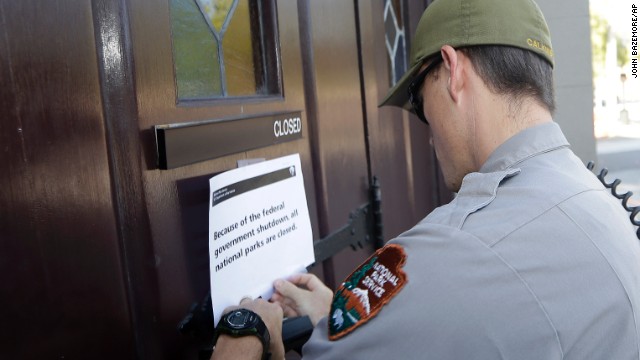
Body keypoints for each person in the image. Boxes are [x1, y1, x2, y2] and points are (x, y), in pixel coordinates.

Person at [211, 0, 640, 358]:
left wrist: (245, 332)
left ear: (453, 71)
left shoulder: (458, 248)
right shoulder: (598, 201)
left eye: (418, 101)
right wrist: (341, 318)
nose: (427, 128)